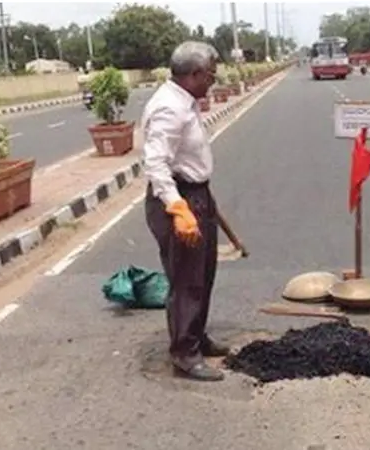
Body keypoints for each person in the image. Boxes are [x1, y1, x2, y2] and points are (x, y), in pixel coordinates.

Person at [141, 41, 229, 382]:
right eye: (210, 75)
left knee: (203, 274)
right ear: (193, 74)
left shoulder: (185, 101)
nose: (214, 80)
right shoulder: (168, 108)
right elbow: (156, 163)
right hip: (177, 200)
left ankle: (196, 336)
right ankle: (184, 353)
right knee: (187, 279)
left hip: (196, 194)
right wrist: (178, 208)